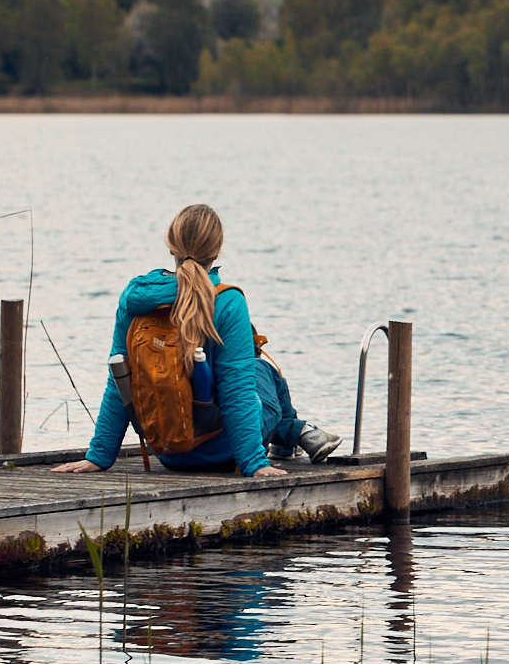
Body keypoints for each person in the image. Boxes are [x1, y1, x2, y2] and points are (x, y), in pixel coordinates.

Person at [53, 204, 340, 477]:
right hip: (222, 451)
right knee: (262, 370)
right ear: (216, 251)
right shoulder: (228, 301)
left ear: (171, 247)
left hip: (169, 451)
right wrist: (253, 463)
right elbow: (236, 391)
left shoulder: (135, 298)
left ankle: (294, 435)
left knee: (252, 375)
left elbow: (120, 385)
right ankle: (294, 432)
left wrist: (99, 456)